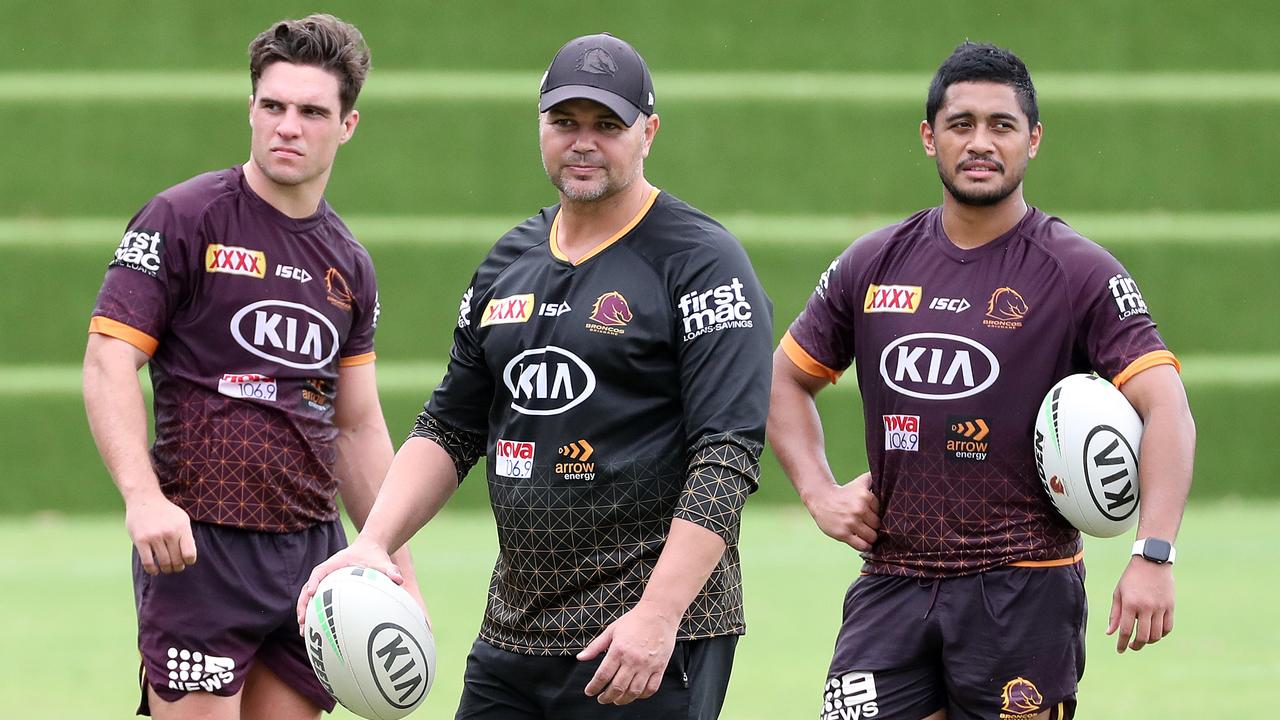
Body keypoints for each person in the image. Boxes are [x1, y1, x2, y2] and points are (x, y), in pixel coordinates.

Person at [296, 32, 772, 719]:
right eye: (564, 122)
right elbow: (450, 427)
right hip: (513, 638)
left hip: (641, 646)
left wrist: (659, 616)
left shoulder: (702, 262)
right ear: (540, 126)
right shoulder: (508, 262)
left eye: (607, 125)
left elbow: (726, 456)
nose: (583, 142)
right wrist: (373, 543)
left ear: (649, 132)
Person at [768, 42, 1195, 720]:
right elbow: (784, 379)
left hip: (1023, 588)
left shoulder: (1077, 271)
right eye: (961, 124)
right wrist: (818, 492)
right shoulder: (874, 262)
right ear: (928, 136)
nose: (980, 142)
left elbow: (1166, 404)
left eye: (1002, 125)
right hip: (891, 581)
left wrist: (1154, 552)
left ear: (1034, 140)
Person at [82, 14, 420, 719]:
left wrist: (392, 558)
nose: (287, 126)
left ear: (348, 124)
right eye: (273, 106)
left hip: (309, 557)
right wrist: (142, 498)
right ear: (251, 110)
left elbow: (356, 426)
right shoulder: (182, 218)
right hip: (198, 550)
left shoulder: (349, 262)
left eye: (310, 111)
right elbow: (110, 360)